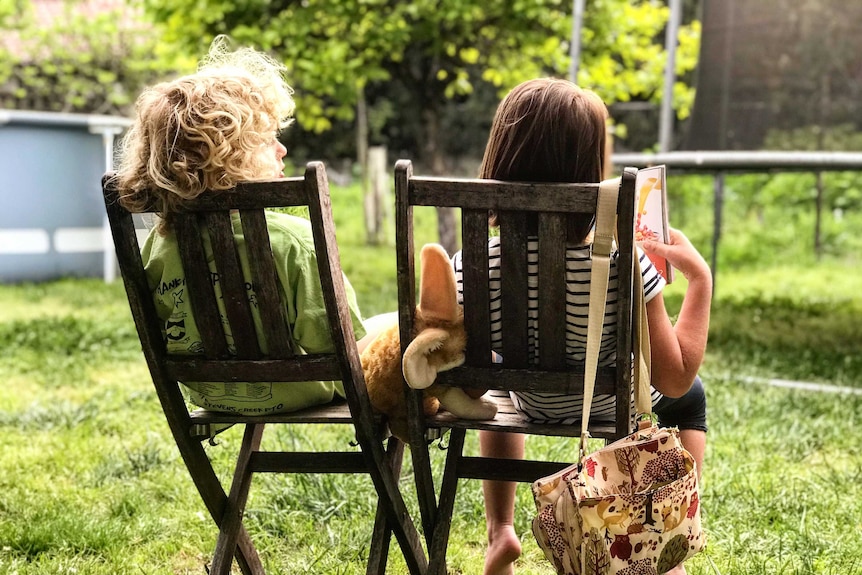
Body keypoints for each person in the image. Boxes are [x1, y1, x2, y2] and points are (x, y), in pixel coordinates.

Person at [450, 78, 712, 575]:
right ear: (591, 168)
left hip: (528, 401)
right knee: (691, 395)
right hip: (609, 412)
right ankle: (660, 541)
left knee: (502, 386)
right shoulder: (624, 261)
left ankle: (500, 530)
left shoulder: (472, 264)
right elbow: (671, 378)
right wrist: (700, 280)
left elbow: (476, 376)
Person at [113, 37, 375, 415]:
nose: (282, 150)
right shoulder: (293, 240)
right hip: (299, 390)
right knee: (390, 329)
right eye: (269, 140)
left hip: (212, 393)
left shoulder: (160, 243)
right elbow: (342, 347)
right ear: (231, 157)